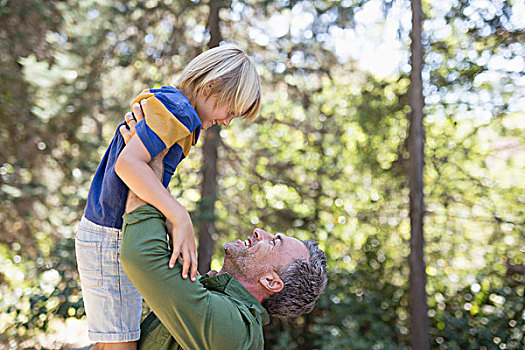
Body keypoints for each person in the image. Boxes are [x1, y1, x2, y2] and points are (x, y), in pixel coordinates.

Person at [75, 44, 261, 349]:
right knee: (120, 343)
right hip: (111, 232)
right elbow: (128, 164)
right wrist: (178, 215)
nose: (227, 122)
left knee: (116, 337)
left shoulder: (177, 109)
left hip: (113, 231)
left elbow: (151, 173)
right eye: (230, 111)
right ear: (211, 86)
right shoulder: (179, 110)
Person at [119, 115, 328, 349]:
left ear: (270, 281)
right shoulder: (216, 299)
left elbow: (142, 255)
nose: (260, 232)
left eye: (273, 242)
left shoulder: (232, 330)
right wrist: (152, 156)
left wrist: (145, 152)